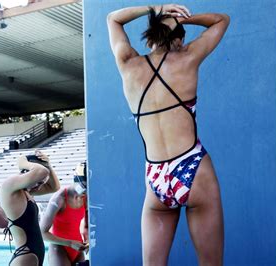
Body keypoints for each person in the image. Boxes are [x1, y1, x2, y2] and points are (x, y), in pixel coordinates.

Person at [107, 4, 230, 265]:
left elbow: (113, 20)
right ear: (180, 39)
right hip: (193, 168)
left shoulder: (128, 65)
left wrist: (155, 8)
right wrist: (184, 17)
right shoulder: (187, 58)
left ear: (150, 37)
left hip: (156, 177)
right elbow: (221, 20)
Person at [0, 150, 61, 266]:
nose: (39, 187)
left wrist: (49, 165)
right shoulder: (10, 187)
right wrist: (22, 161)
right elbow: (41, 171)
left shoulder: (27, 191)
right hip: (24, 256)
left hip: (32, 255)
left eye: (42, 183)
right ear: (25, 172)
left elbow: (55, 187)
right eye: (38, 182)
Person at [40, 162, 89, 266]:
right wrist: (70, 243)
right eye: (84, 187)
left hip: (78, 246)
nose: (86, 191)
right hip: (59, 248)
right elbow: (42, 233)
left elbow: (86, 224)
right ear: (76, 180)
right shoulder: (59, 199)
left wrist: (87, 239)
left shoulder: (85, 197)